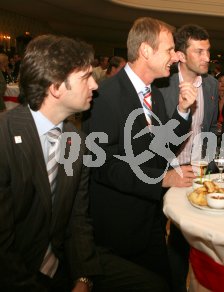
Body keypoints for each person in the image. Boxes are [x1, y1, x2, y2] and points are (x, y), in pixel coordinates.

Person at [0, 34, 169, 291]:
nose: (95, 86)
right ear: (56, 87)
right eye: (85, 77)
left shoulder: (74, 140)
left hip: (64, 262)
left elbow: (77, 219)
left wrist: (83, 277)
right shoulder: (5, 138)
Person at [85, 17, 197, 290]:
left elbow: (160, 150)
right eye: (170, 49)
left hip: (150, 223)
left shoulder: (155, 94)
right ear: (146, 51)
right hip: (117, 229)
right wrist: (161, 179)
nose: (176, 56)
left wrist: (182, 112)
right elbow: (102, 165)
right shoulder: (105, 95)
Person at [155, 23, 218, 292]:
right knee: (163, 237)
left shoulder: (212, 85)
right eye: (199, 51)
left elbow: (211, 127)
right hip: (166, 173)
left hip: (199, 172)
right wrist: (171, 170)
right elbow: (154, 134)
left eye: (208, 51)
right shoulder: (161, 85)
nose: (207, 57)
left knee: (195, 237)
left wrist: (207, 161)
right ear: (180, 55)